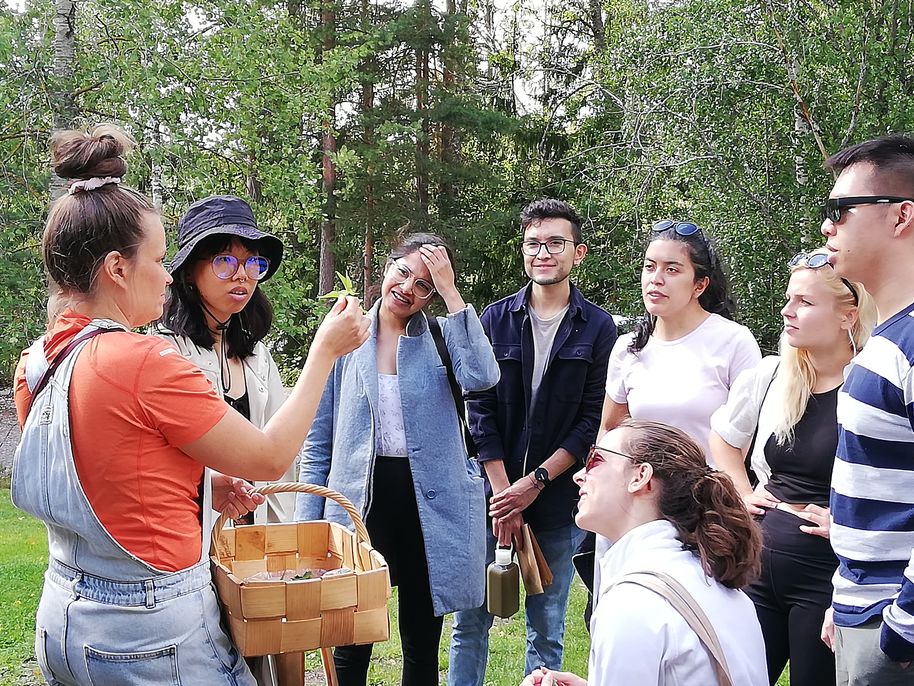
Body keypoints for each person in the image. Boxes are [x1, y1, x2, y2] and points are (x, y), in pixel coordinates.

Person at [11, 124, 369, 686]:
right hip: (150, 633)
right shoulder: (144, 360)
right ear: (117, 268)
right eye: (158, 259)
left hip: (65, 618)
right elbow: (272, 457)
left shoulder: (40, 360)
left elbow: (107, 478)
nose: (166, 275)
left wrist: (203, 483)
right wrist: (325, 351)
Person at [295, 232, 499, 686]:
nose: (408, 288)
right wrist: (308, 529)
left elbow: (484, 375)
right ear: (387, 269)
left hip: (430, 506)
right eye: (403, 272)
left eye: (425, 284)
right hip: (360, 507)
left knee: (422, 646)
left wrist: (452, 292)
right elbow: (318, 441)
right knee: (350, 640)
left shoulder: (444, 338)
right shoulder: (344, 337)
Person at [448, 199, 617, 685]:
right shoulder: (495, 319)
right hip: (489, 498)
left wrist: (536, 483)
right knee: (470, 623)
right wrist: (506, 496)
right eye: (533, 244)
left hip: (558, 502)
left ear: (578, 253)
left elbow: (591, 421)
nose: (544, 253)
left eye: (556, 243)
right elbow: (476, 407)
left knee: (546, 630)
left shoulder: (600, 327)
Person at [709, 249, 875, 686]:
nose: (787, 310)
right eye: (788, 298)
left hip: (827, 576)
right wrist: (743, 491)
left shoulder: (873, 388)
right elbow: (724, 442)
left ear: (847, 316)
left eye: (804, 301)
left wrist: (850, 520)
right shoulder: (773, 377)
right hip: (758, 565)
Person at [520, 419, 768, 686]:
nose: (578, 475)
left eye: (595, 461)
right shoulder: (714, 581)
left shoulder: (631, 603)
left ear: (640, 477)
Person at [817, 135, 914, 685]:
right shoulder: (887, 338)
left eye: (841, 210)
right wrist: (846, 595)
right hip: (865, 610)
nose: (828, 226)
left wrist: (900, 627)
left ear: (901, 216)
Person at [154, 195, 297, 525]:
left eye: (252, 263)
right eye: (225, 262)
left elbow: (282, 458)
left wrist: (280, 535)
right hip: (194, 536)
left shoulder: (258, 356)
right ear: (190, 271)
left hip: (256, 542)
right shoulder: (166, 353)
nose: (242, 276)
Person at [600, 219, 761, 458]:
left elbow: (747, 439)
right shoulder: (628, 347)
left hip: (708, 491)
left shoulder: (734, 342)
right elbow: (610, 429)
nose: (656, 278)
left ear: (699, 285)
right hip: (640, 489)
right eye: (649, 266)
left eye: (671, 269)